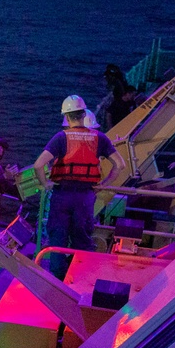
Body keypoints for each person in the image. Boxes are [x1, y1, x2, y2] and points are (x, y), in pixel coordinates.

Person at [33, 95, 126, 278]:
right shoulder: (99, 138)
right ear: (84, 114)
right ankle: (80, 277)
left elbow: (38, 165)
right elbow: (120, 165)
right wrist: (104, 184)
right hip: (85, 196)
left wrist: (46, 184)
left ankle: (57, 281)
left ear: (66, 117)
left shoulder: (61, 137)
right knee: (82, 239)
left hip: (62, 195)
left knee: (57, 239)